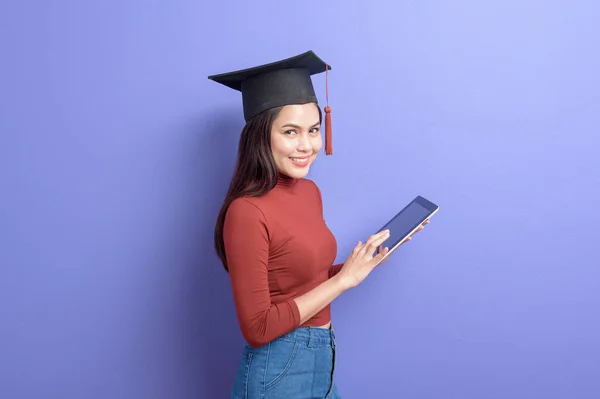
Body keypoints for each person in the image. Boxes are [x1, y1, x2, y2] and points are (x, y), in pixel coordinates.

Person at [209, 50, 428, 399]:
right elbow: (257, 327)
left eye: (313, 130)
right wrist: (343, 282)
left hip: (322, 357)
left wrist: (363, 263)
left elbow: (305, 281)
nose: (307, 145)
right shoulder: (246, 211)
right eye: (290, 132)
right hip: (277, 368)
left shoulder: (309, 191)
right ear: (261, 135)